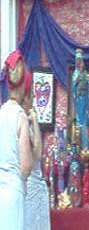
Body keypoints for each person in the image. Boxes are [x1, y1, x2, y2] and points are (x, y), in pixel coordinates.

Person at [0, 49, 33, 230]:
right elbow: (26, 167)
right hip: (13, 191)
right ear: (24, 86)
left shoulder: (1, 113)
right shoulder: (20, 116)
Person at [22, 70, 51, 230]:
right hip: (30, 188)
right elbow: (37, 153)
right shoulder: (24, 121)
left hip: (34, 186)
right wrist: (34, 122)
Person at [72, 48, 89, 150]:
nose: (79, 63)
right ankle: (77, 146)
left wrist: (83, 79)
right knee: (78, 120)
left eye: (80, 60)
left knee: (83, 121)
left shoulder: (85, 73)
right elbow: (73, 87)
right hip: (77, 99)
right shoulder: (75, 73)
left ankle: (85, 145)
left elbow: (86, 86)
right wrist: (76, 82)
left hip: (84, 99)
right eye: (77, 61)